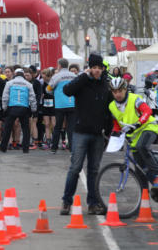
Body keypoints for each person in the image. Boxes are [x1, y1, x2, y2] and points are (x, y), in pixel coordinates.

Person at [59, 53, 113, 216]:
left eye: (99, 68)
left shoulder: (105, 86)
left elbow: (109, 111)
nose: (97, 71)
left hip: (98, 134)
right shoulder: (82, 82)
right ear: (90, 68)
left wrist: (108, 133)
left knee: (94, 170)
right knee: (75, 168)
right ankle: (66, 201)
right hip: (81, 132)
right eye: (94, 68)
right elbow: (67, 91)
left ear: (103, 69)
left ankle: (93, 203)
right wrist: (83, 76)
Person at [108, 77, 158, 186]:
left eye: (120, 91)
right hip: (135, 136)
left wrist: (139, 122)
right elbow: (117, 123)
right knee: (140, 169)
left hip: (148, 127)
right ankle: (144, 197)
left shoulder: (135, 99)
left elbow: (147, 111)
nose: (118, 94)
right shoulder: (112, 106)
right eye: (115, 92)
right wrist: (114, 134)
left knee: (142, 147)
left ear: (125, 89)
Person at [0, 68, 36, 153]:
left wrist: (4, 108)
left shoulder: (9, 83)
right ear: (23, 75)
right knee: (25, 129)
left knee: (7, 128)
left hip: (12, 107)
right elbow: (32, 97)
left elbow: (5, 97)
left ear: (15, 74)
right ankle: (25, 148)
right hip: (24, 108)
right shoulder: (28, 84)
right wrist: (34, 109)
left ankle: (3, 147)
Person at [47, 58, 77, 153]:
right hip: (72, 103)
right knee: (71, 127)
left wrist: (54, 93)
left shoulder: (56, 76)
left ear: (59, 65)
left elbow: (48, 89)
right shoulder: (74, 76)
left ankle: (54, 148)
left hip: (60, 104)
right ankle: (72, 148)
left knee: (58, 126)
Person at [40, 68, 55, 149]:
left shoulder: (53, 82)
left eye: (43, 74)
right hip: (45, 105)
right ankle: (48, 141)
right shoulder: (41, 83)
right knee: (46, 124)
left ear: (47, 75)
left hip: (53, 105)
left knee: (54, 124)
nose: (42, 76)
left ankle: (54, 141)